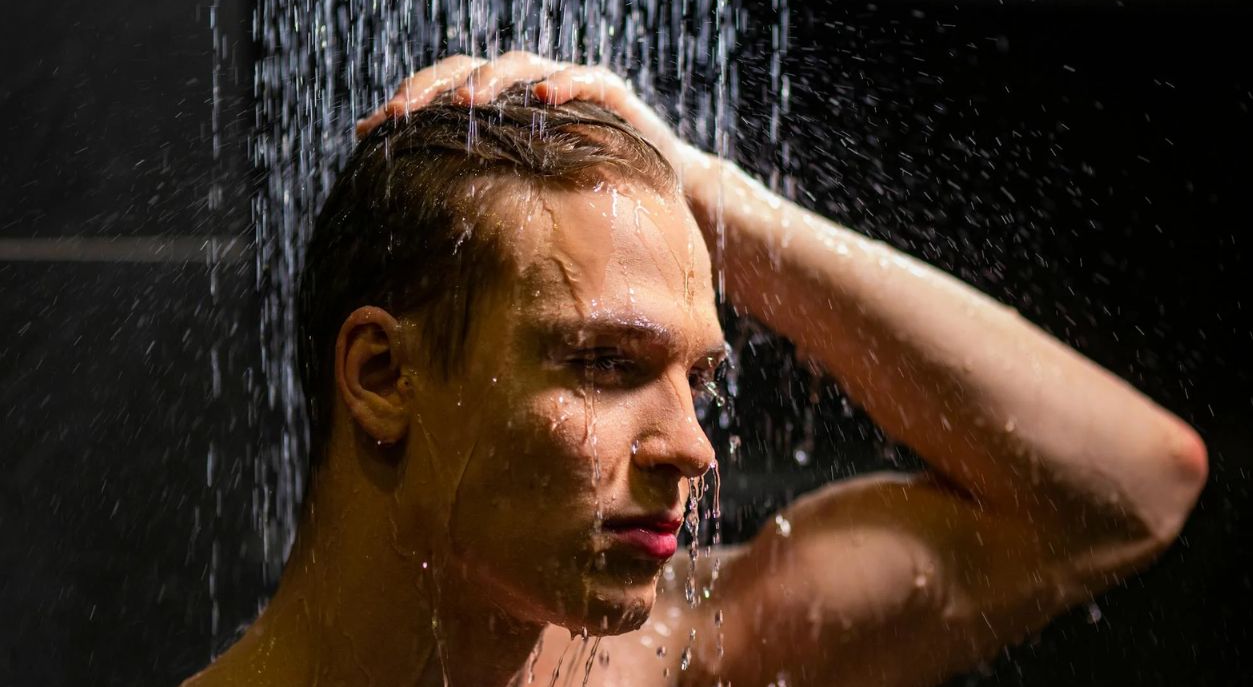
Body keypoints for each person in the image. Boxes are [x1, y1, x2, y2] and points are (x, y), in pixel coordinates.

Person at [185, 52, 1207, 687]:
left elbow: (1129, 487)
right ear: (380, 374)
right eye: (602, 360)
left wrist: (711, 196)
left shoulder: (678, 654)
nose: (691, 446)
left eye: (697, 379)